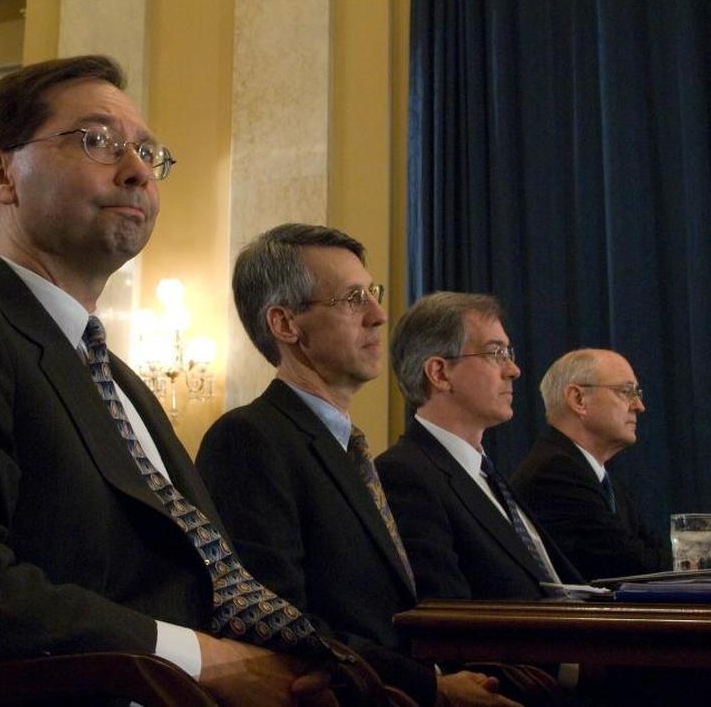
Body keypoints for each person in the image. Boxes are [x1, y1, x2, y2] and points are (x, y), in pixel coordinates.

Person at [0, 55, 337, 705]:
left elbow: (217, 579)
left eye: (150, 153)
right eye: (97, 140)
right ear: (2, 175)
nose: (137, 170)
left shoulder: (122, 382)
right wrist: (200, 662)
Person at [196, 225, 516, 706]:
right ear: (286, 325)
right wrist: (433, 688)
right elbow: (278, 620)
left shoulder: (348, 449)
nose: (379, 315)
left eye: (373, 293)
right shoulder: (249, 438)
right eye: (352, 299)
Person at [375, 292, 583, 603]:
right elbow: (446, 618)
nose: (513, 370)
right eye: (495, 353)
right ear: (440, 373)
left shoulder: (487, 475)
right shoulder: (405, 475)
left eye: (508, 352)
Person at [509, 348, 672, 580]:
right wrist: (693, 562)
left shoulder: (605, 480)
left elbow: (651, 551)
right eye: (626, 391)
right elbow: (630, 565)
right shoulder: (555, 473)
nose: (639, 406)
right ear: (579, 399)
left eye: (637, 393)